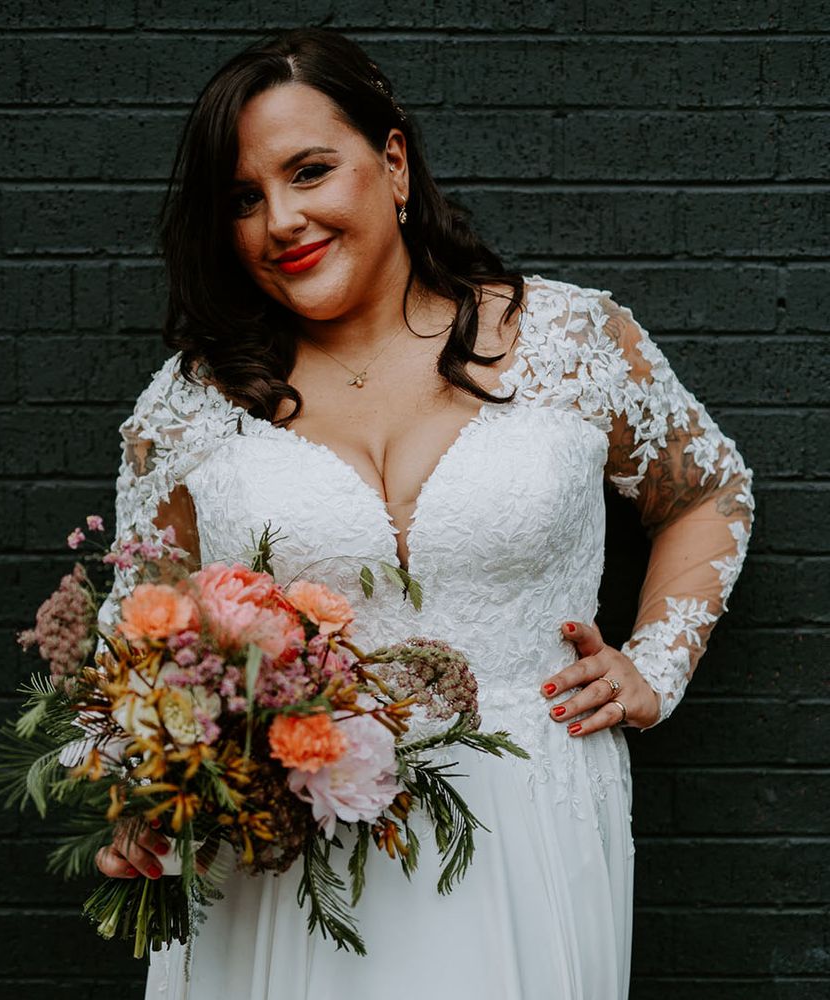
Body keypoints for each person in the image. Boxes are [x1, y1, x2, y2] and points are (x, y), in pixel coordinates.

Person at [92, 27, 754, 1000]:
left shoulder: (569, 340)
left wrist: (654, 663)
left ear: (392, 162)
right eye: (242, 198)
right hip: (282, 867)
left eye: (309, 170)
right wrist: (140, 788)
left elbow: (708, 488)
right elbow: (139, 635)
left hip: (527, 822)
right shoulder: (190, 408)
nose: (281, 218)